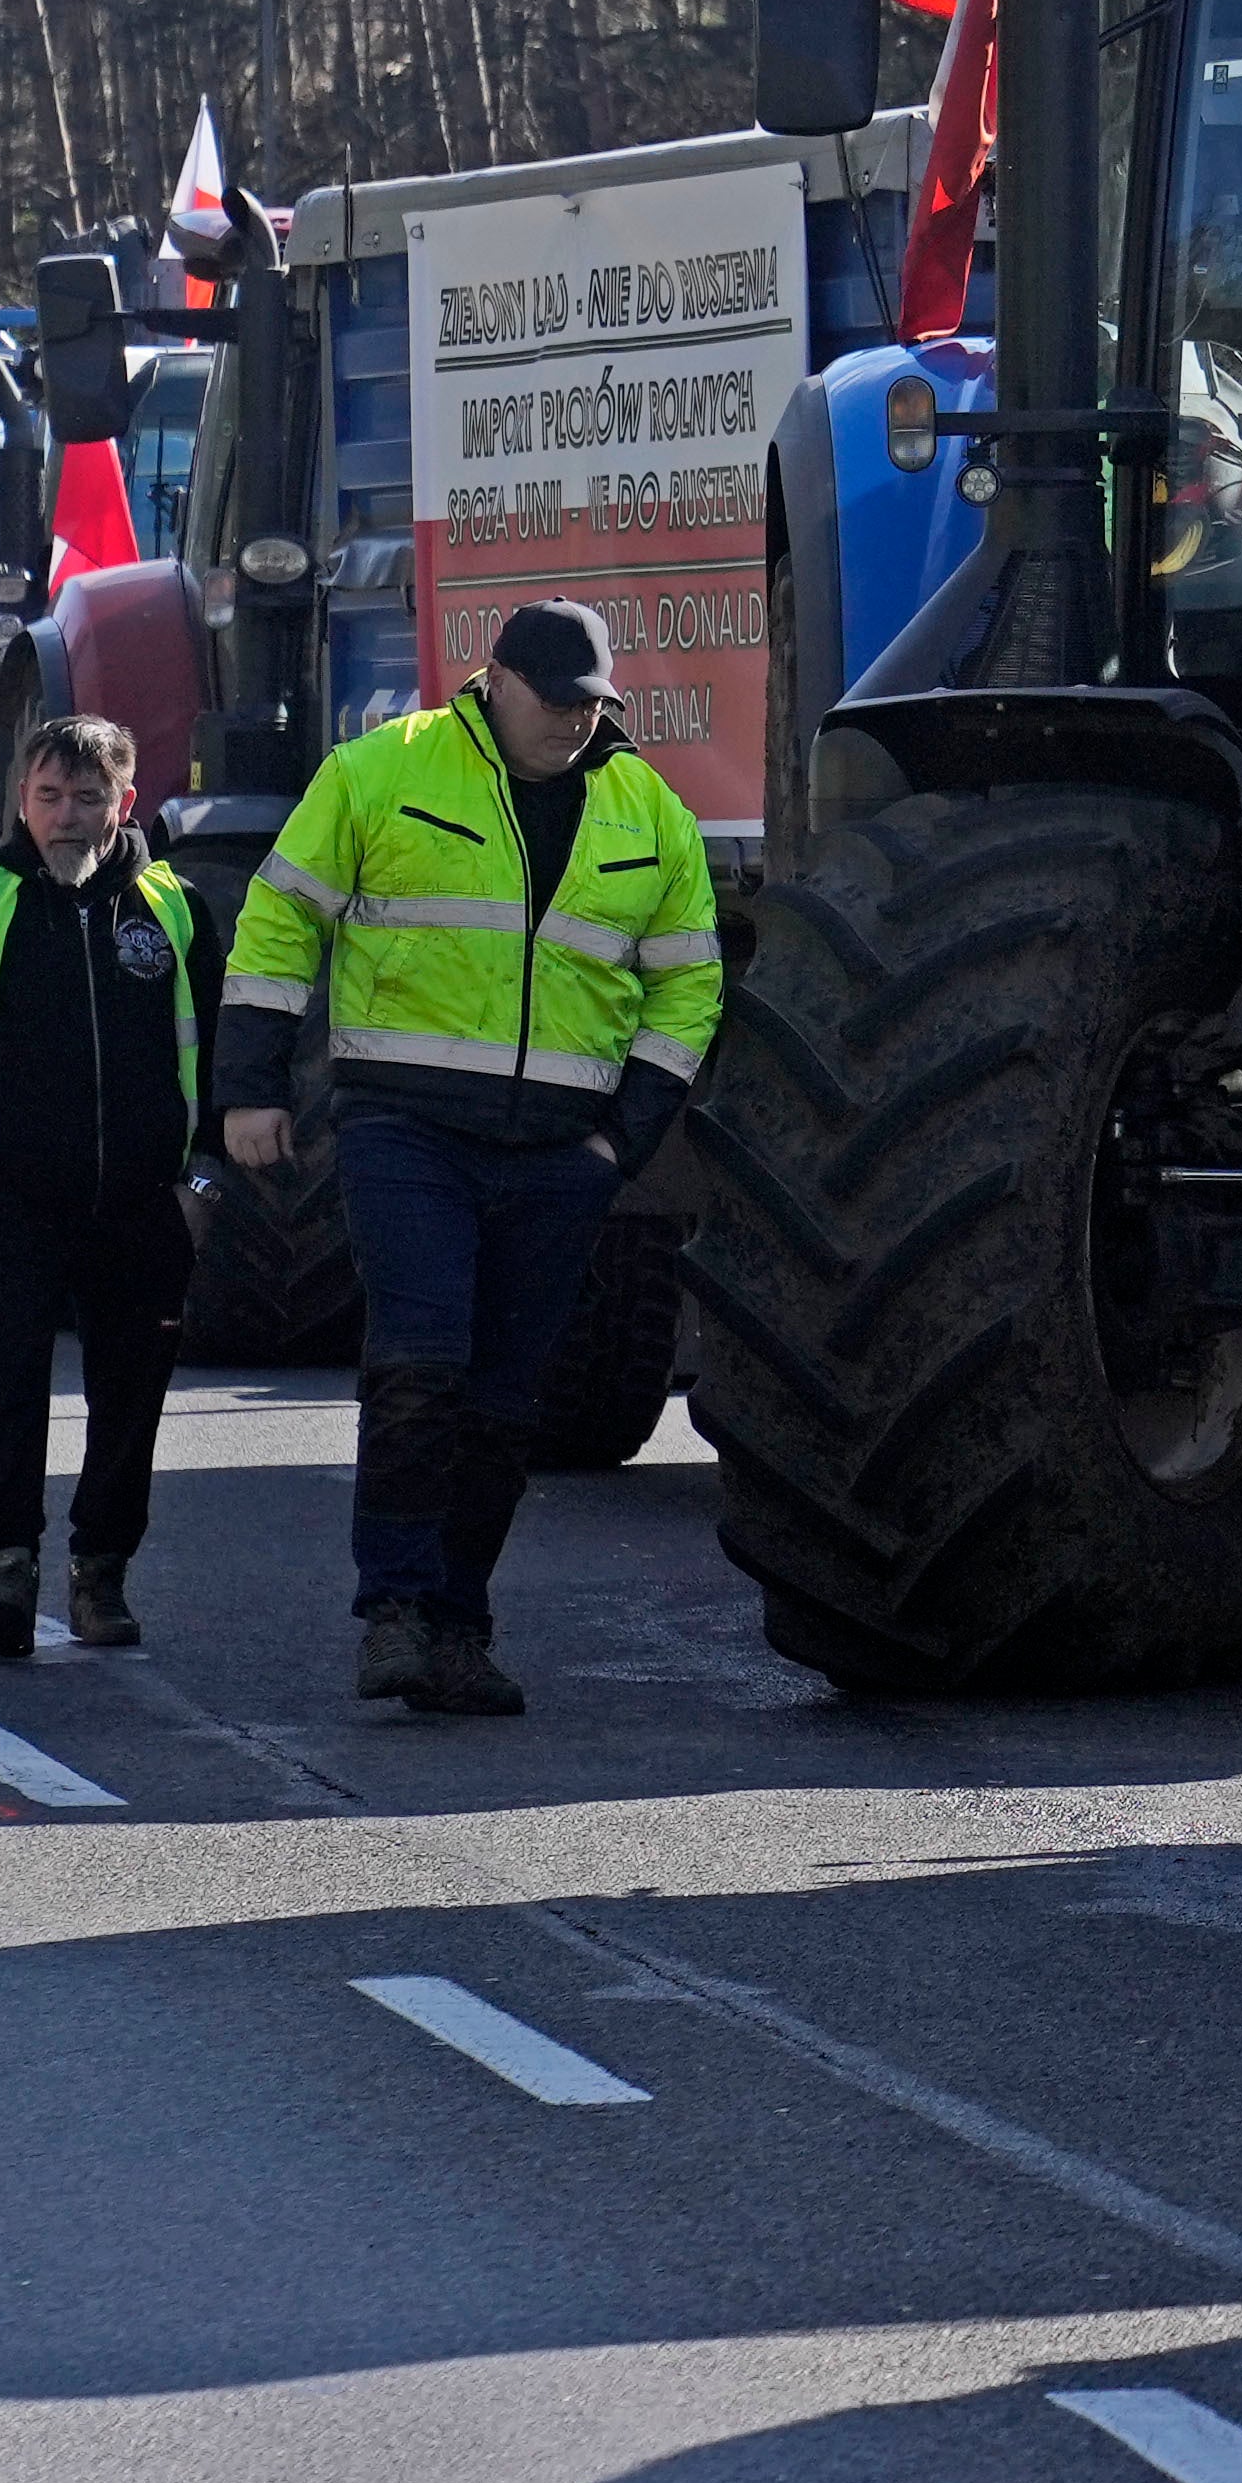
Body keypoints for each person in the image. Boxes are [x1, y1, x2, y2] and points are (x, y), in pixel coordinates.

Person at [210, 601, 722, 1716]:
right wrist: (248, 1088)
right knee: (420, 1361)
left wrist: (615, 1144)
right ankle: (394, 1609)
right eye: (557, 700)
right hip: (407, 1131)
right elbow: (279, 922)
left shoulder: (649, 811)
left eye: (594, 703)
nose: (576, 724)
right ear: (492, 680)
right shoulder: (380, 771)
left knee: (502, 1401)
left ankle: (457, 1624)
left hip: (559, 1154)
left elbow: (688, 986)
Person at [0, 708, 197, 1661]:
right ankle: (8, 1567)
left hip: (143, 1204)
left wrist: (199, 1179)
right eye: (50, 795)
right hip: (13, 1197)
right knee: (12, 1391)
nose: (67, 815)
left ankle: (100, 1573)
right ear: (21, 799)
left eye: (89, 796)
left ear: (124, 802)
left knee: (130, 1400)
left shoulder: (174, 905)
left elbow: (217, 1041)